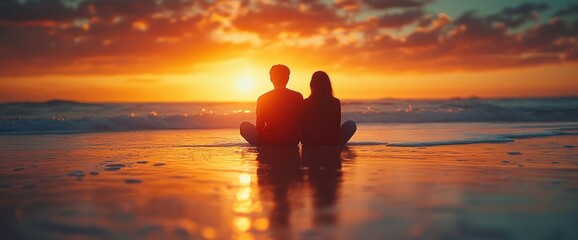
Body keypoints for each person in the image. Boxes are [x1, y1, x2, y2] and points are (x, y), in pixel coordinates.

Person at [240, 64, 303, 146]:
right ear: (287, 79)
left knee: (244, 126)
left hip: (269, 141)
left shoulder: (263, 98)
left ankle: (263, 144)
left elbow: (259, 126)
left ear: (271, 79)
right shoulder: (297, 96)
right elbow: (301, 122)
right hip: (291, 141)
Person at [301, 71, 356, 146]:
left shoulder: (305, 102)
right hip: (331, 141)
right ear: (328, 85)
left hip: (310, 142)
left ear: (312, 85)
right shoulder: (335, 102)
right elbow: (336, 125)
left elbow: (303, 124)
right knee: (351, 124)